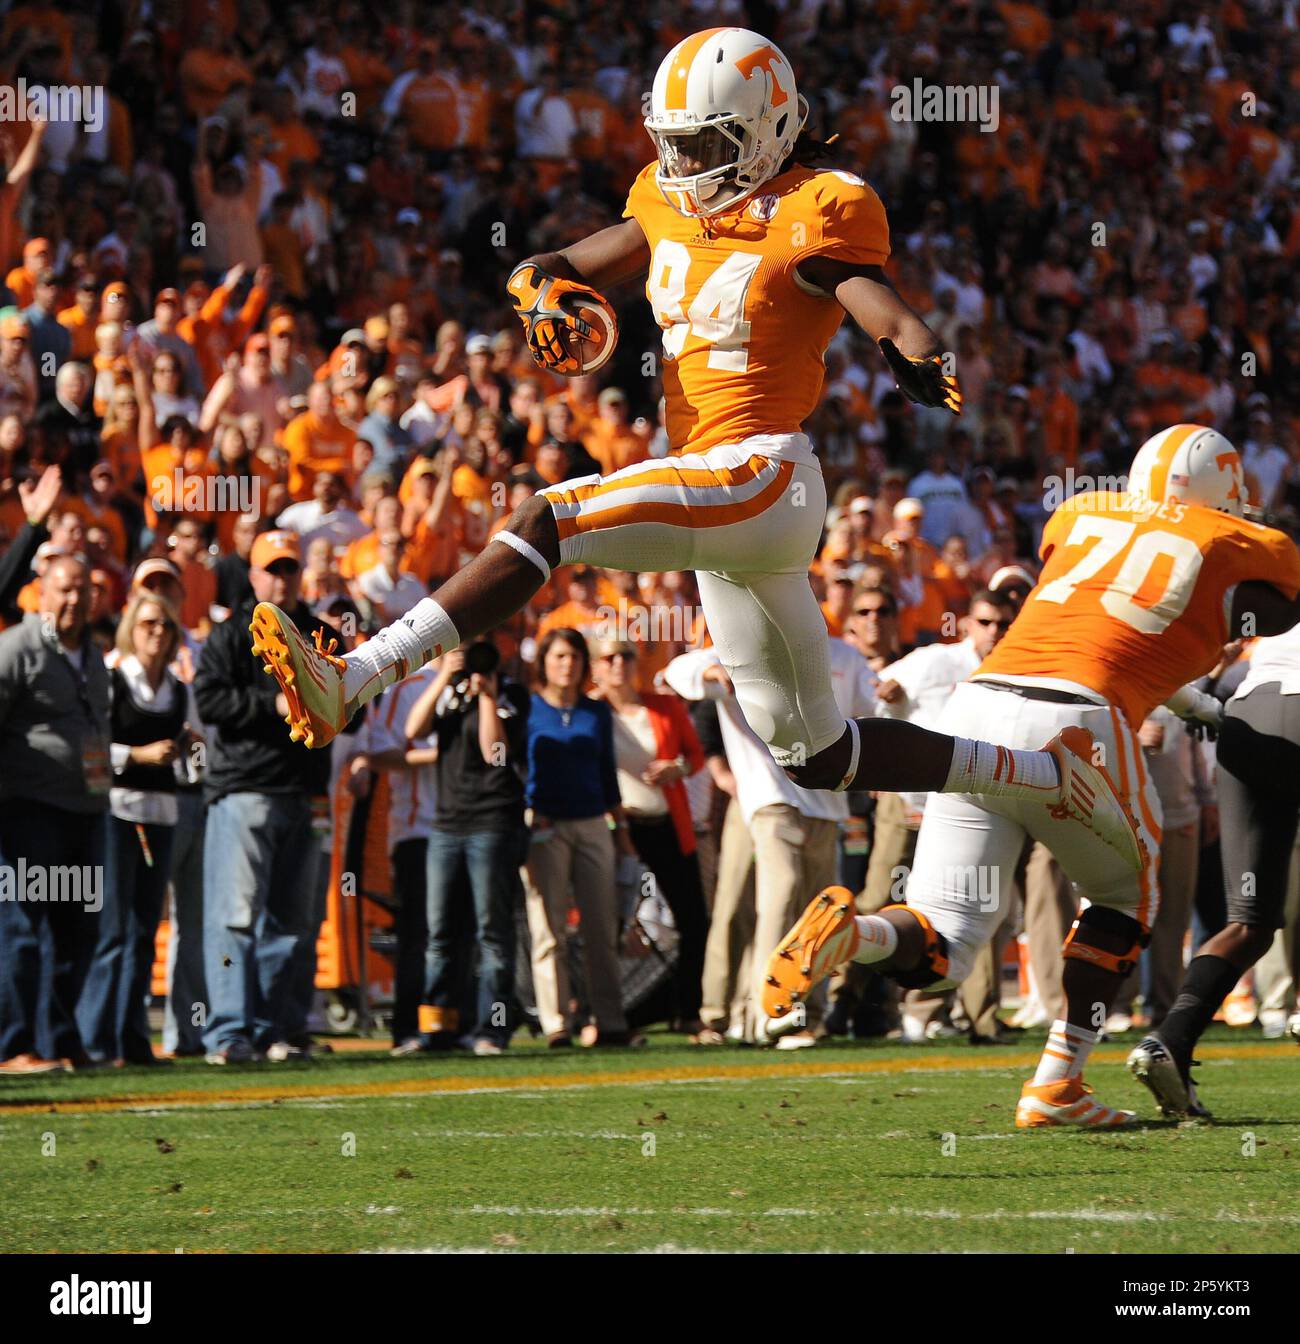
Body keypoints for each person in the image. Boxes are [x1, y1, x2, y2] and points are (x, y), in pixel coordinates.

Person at [251, 26, 1139, 883]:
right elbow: (573, 258)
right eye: (675, 140)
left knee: (542, 518)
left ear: (769, 130)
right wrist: (535, 282)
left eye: (708, 139)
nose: (686, 160)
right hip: (722, 499)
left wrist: (911, 345)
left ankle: (355, 674)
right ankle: (1045, 775)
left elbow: (870, 295)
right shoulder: (669, 199)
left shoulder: (817, 207)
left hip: (762, 473)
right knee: (815, 751)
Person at [762, 425, 1300, 1125]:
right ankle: (1059, 1082)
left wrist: (1192, 700)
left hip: (980, 705)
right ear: (1223, 495)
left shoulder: (1081, 516)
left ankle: (854, 937)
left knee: (945, 944)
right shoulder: (1245, 545)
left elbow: (1103, 622)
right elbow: (1260, 607)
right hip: (1079, 722)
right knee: (1124, 898)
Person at [1128, 618, 1300, 1116]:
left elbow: (1215, 679)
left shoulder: (1273, 633)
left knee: (1250, 924)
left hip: (1245, 721)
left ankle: (1170, 1041)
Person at [192, 530, 331, 1063]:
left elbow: (350, 704)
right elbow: (209, 700)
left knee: (293, 923)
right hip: (245, 789)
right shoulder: (230, 635)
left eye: (289, 568)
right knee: (236, 916)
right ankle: (229, 1032)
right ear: (252, 575)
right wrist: (271, 706)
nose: (281, 578)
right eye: (272, 568)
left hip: (305, 793)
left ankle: (276, 1030)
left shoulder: (319, 635)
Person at [0, 554, 109, 1072]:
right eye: (64, 590)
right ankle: (13, 1046)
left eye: (82, 590)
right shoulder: (16, 648)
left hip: (84, 812)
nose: (73, 599)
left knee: (77, 932)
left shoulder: (93, 654)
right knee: (22, 930)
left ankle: (62, 1043)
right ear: (41, 594)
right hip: (29, 811)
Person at [77, 592, 192, 1066]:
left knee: (145, 930)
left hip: (162, 813)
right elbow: (91, 748)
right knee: (113, 930)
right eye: (147, 624)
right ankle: (94, 1039)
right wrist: (139, 756)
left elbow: (193, 755)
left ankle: (132, 1038)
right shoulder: (111, 679)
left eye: (164, 626)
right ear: (130, 628)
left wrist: (185, 752)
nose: (157, 633)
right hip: (118, 812)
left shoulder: (178, 689)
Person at [404, 638, 529, 1054]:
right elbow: (413, 731)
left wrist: (488, 697)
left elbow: (494, 753)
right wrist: (443, 676)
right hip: (446, 823)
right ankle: (438, 1028)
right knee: (440, 933)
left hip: (492, 823)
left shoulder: (512, 693)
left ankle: (492, 1029)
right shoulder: (448, 691)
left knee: (491, 932)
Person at [523, 628, 638, 1047]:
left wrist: (620, 829)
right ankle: (556, 1023)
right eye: (558, 656)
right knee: (547, 927)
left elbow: (608, 773)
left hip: (593, 824)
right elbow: (516, 770)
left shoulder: (596, 712)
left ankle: (609, 1020)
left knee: (601, 928)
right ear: (544, 662)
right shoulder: (529, 709)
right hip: (545, 826)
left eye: (573, 657)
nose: (566, 664)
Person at [591, 637, 708, 1036]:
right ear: (597, 667)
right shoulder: (589, 712)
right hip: (616, 829)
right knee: (608, 924)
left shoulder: (662, 704)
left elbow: (696, 756)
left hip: (666, 824)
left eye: (626, 656)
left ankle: (687, 1012)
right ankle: (605, 1018)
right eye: (609, 657)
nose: (619, 664)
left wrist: (676, 767)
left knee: (694, 920)